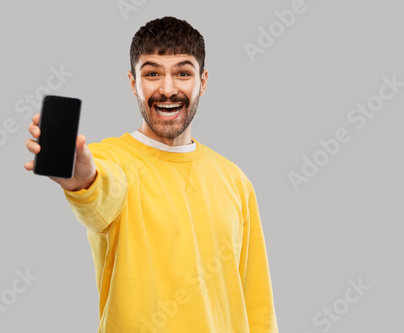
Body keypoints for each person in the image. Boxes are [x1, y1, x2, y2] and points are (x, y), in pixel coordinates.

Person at [24, 16, 279, 333]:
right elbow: (103, 192)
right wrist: (84, 180)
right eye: (152, 73)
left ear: (203, 81)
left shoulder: (234, 178)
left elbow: (256, 302)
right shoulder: (111, 159)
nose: (168, 89)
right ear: (133, 83)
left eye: (183, 73)